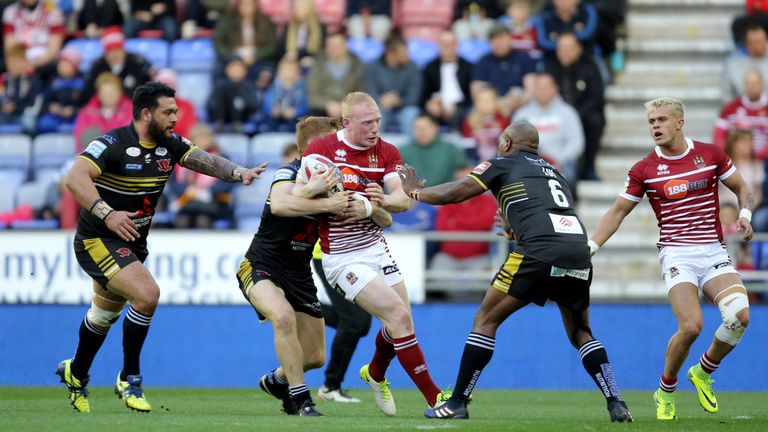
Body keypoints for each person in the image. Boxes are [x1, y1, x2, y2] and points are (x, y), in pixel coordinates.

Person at [398, 121, 633, 423]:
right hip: (578, 251)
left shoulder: (501, 163)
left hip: (538, 251)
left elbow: (456, 192)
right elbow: (547, 212)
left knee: (485, 319)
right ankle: (616, 402)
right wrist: (516, 229)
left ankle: (457, 402)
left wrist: (417, 193)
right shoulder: (554, 173)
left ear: (507, 143)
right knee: (580, 332)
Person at [55, 82, 268, 414]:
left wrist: (238, 172)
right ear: (145, 113)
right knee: (147, 295)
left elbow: (204, 160)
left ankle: (76, 372)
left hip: (133, 242)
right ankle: (130, 378)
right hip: (98, 239)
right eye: (168, 112)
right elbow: (75, 177)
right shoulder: (111, 144)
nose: (175, 117)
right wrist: (107, 214)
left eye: (176, 112)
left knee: (104, 314)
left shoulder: (170, 144)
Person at [589, 97, 753, 420]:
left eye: (662, 120)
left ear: (680, 122)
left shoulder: (710, 155)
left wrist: (745, 213)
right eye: (651, 121)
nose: (655, 126)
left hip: (713, 250)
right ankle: (666, 389)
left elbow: (740, 186)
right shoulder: (645, 169)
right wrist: (591, 246)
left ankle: (703, 372)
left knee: (740, 317)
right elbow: (619, 211)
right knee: (691, 326)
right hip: (677, 252)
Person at [297, 91, 449, 415]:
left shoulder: (386, 151)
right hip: (341, 257)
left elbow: (402, 200)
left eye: (378, 120)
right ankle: (436, 398)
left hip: (377, 249)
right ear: (347, 122)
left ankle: (375, 373)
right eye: (368, 122)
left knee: (402, 320)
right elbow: (299, 197)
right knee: (398, 316)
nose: (375, 128)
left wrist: (372, 203)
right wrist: (328, 201)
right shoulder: (321, 151)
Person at [243, 116, 390, 416]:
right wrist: (324, 204)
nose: (340, 147)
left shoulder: (340, 179)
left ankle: (277, 380)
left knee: (315, 357)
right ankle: (301, 400)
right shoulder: (289, 171)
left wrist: (373, 205)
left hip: (300, 272)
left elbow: (385, 219)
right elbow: (280, 205)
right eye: (333, 141)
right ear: (314, 146)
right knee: (282, 317)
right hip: (262, 265)